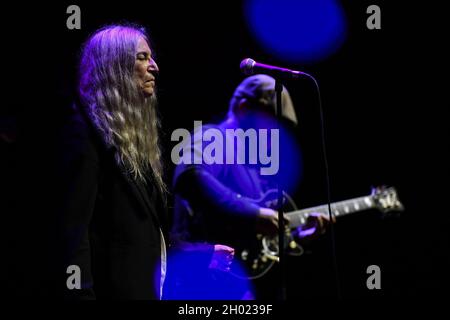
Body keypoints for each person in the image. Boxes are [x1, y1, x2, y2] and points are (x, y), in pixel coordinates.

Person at [51, 24, 234, 300]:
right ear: (115, 67)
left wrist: (203, 254)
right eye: (142, 57)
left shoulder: (132, 144)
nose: (155, 67)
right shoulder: (84, 135)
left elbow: (147, 238)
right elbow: (72, 237)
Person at [171, 74, 331, 299]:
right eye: (271, 121)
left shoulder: (253, 164)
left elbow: (246, 235)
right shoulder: (214, 137)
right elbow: (190, 177)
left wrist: (295, 237)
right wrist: (254, 213)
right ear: (244, 108)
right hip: (200, 282)